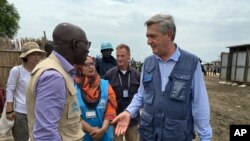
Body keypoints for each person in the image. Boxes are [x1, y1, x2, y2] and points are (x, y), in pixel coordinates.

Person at [111, 14, 212, 141]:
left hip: (177, 135)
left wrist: (205, 137)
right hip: (148, 135)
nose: (148, 41)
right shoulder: (148, 63)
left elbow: (199, 103)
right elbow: (141, 94)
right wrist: (129, 112)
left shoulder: (191, 63)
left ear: (169, 35)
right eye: (147, 36)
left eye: (152, 36)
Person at [26, 23, 90, 141]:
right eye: (86, 44)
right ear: (75, 44)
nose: (88, 49)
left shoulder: (59, 70)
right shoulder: (54, 77)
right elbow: (46, 134)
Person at [6, 42, 45, 141]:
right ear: (26, 56)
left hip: (39, 113)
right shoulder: (17, 71)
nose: (37, 57)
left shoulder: (42, 72)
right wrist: (9, 110)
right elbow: (10, 89)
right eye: (33, 54)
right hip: (21, 113)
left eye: (38, 54)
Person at [75, 56, 117, 141]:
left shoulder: (105, 85)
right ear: (79, 68)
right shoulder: (74, 88)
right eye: (86, 65)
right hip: (83, 135)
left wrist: (103, 130)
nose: (91, 67)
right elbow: (73, 114)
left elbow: (111, 108)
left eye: (92, 64)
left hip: (104, 135)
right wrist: (91, 130)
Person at [104, 44, 140, 141]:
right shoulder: (109, 75)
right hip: (116, 119)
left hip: (133, 120)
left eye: (122, 56)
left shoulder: (137, 75)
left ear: (129, 56)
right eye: (118, 56)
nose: (119, 59)